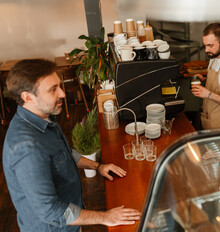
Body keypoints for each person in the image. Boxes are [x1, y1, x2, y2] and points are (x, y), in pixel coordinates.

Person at [2, 59, 141, 232]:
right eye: (53, 90)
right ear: (27, 97)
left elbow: (63, 153)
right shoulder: (27, 147)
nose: (62, 93)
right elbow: (51, 211)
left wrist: (98, 166)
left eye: (59, 86)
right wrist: (105, 217)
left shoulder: (43, 117)